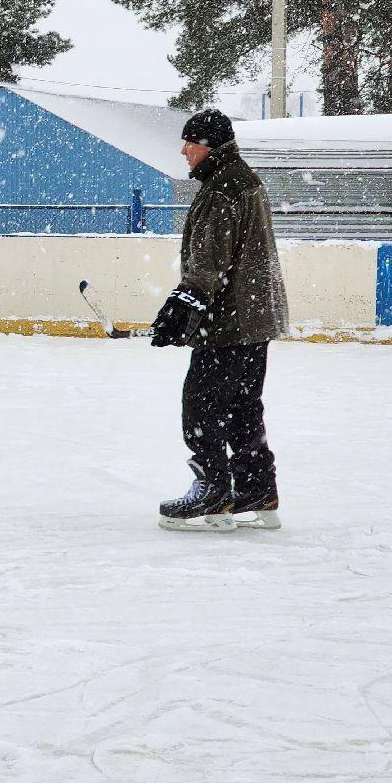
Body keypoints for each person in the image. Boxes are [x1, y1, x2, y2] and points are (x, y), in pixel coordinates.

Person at [152, 108, 289, 533]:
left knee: (202, 405)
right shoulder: (242, 178)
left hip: (229, 323)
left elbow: (211, 256)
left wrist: (186, 300)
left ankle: (213, 488)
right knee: (243, 406)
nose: (183, 150)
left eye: (189, 142)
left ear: (208, 145)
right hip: (256, 318)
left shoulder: (222, 188)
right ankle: (255, 490)